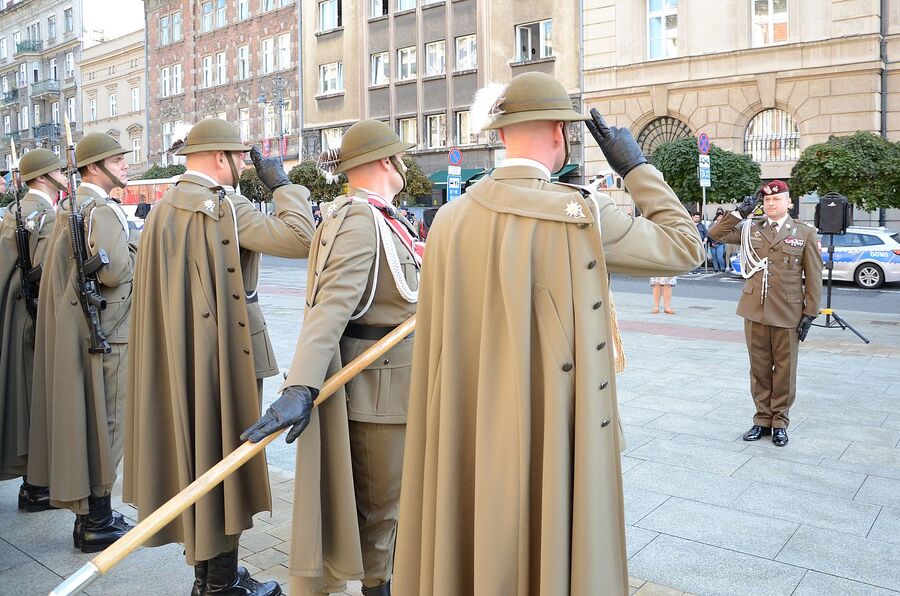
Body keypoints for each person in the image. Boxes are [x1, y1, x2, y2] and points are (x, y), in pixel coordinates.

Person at [391, 71, 704, 596]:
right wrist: (636, 167)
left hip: (469, 424)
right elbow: (684, 246)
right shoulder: (581, 212)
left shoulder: (448, 218)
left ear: (502, 133)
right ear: (559, 133)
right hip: (556, 423)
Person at [124, 118, 315, 596]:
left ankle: (208, 577)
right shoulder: (226, 207)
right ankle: (222, 583)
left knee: (198, 454)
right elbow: (301, 238)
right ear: (218, 158)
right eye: (238, 158)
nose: (243, 167)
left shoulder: (164, 208)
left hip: (181, 351)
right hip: (227, 354)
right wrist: (284, 184)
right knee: (226, 456)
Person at [241, 119, 419, 596]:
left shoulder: (376, 216)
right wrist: (299, 386)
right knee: (384, 510)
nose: (404, 164)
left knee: (388, 508)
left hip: (394, 383)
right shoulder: (360, 219)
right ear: (388, 161)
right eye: (401, 156)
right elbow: (332, 307)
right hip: (381, 393)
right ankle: (379, 587)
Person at [27, 133, 138, 552]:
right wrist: (134, 243)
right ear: (95, 167)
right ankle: (98, 519)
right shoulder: (102, 211)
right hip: (110, 331)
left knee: (96, 421)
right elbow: (114, 273)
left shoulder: (74, 206)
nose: (125, 165)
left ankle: (93, 516)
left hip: (91, 328)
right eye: (117, 159)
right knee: (109, 424)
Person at [708, 180, 822, 447]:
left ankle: (780, 421)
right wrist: (738, 212)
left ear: (789, 203)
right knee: (759, 370)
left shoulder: (804, 233)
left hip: (787, 311)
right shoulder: (751, 228)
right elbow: (716, 234)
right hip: (755, 310)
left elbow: (813, 275)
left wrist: (811, 313)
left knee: (784, 370)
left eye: (777, 200)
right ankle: (762, 419)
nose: (771, 204)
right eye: (767, 201)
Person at [0, 149, 62, 510]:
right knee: (38, 401)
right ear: (44, 176)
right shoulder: (47, 216)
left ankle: (33, 483)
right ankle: (37, 485)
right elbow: (45, 271)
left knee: (24, 399)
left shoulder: (15, 211)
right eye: (55, 171)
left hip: (14, 311)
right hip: (33, 316)